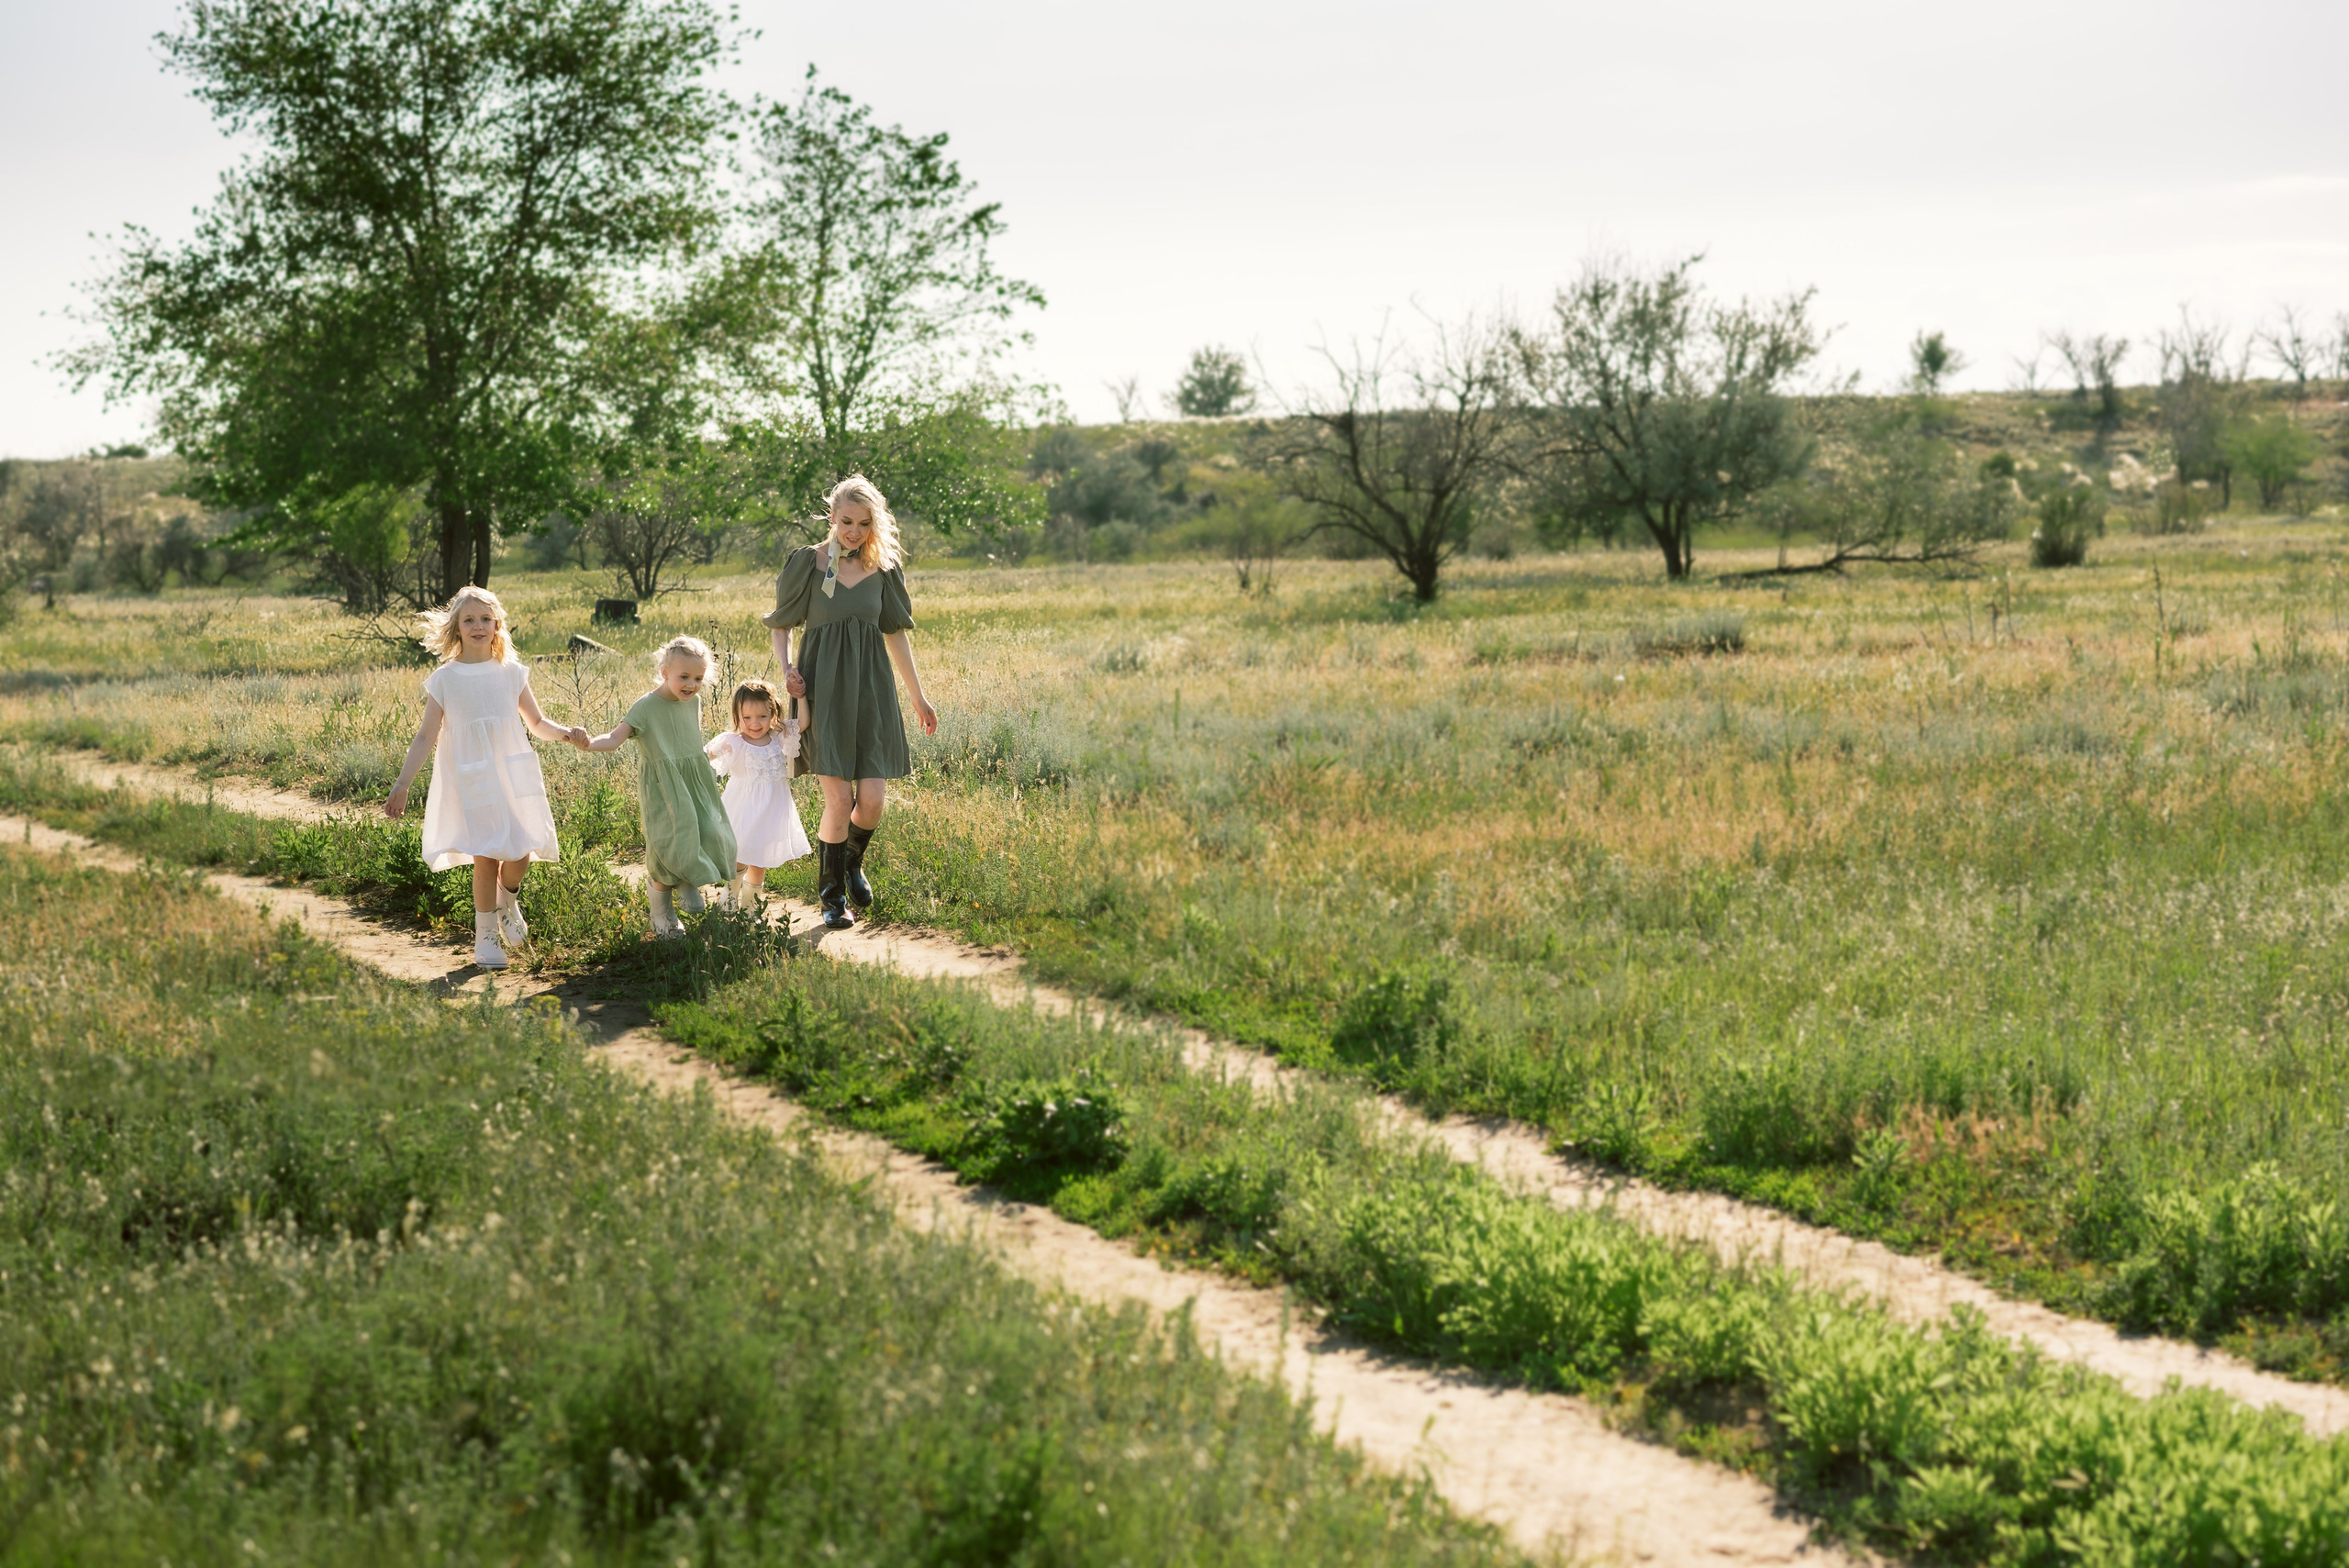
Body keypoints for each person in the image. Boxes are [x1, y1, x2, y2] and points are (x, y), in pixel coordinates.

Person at [767, 474, 938, 930]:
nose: (854, 532)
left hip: (871, 690)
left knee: (874, 800)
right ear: (832, 516)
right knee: (839, 799)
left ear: (875, 523)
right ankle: (832, 896)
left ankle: (851, 862)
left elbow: (895, 635)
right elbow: (781, 624)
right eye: (847, 521)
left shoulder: (884, 568)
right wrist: (786, 670)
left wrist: (918, 697)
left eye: (864, 523)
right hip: (821, 690)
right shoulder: (808, 563)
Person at [384, 586, 584, 970]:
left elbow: (537, 723)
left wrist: (564, 733)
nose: (478, 626)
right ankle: (486, 933)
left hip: (512, 770)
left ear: (497, 626)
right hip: (471, 775)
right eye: (469, 619)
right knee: (486, 856)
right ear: (457, 628)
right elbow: (427, 735)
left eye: (485, 619)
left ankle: (508, 899)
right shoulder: (446, 678)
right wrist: (403, 783)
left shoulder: (511, 673)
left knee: (521, 849)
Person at [570, 635, 737, 939]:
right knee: (671, 841)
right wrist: (588, 744)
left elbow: (688, 739)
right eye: (683, 677)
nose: (691, 684)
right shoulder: (645, 707)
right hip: (664, 786)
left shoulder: (694, 701)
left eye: (698, 678)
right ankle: (661, 913)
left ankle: (687, 880)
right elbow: (614, 739)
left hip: (694, 779)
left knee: (711, 832)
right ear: (664, 672)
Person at [704, 677, 810, 911]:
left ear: (772, 713)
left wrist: (801, 696)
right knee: (739, 854)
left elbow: (803, 722)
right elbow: (704, 756)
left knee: (760, 859)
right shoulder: (733, 741)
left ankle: (751, 909)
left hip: (771, 811)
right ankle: (729, 901)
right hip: (742, 808)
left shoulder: (777, 736)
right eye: (747, 718)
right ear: (737, 717)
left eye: (762, 716)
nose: (755, 723)